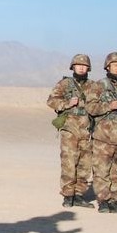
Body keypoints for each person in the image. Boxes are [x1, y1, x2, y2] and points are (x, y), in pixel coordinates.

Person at [46, 54, 95, 208]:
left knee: (85, 163)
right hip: (70, 128)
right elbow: (51, 100)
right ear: (73, 67)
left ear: (88, 68)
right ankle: (68, 195)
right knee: (69, 162)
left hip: (86, 129)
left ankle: (79, 194)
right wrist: (67, 103)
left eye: (84, 65)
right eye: (78, 65)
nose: (81, 68)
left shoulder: (93, 86)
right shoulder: (65, 84)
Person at [86, 52, 117, 214]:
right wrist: (107, 106)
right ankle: (103, 200)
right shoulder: (99, 86)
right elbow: (90, 108)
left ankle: (115, 201)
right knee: (101, 171)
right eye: (115, 65)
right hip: (102, 137)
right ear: (108, 67)